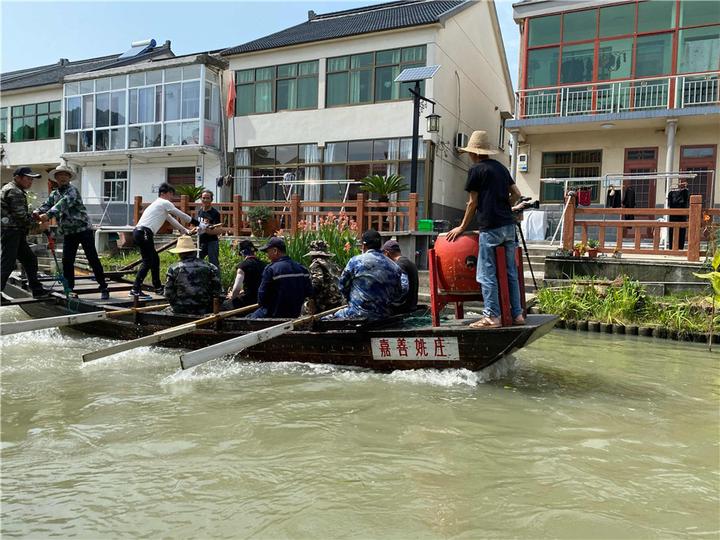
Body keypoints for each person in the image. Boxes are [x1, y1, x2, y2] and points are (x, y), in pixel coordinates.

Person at [446, 130, 525, 328]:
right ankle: (517, 315)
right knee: (510, 272)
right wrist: (504, 204)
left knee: (486, 274)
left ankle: (492, 317)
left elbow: (472, 203)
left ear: (473, 153)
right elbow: (516, 193)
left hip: (490, 227)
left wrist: (462, 227)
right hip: (509, 225)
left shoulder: (476, 170)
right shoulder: (500, 168)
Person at [35, 164, 110, 300]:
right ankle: (69, 288)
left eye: (65, 175)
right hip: (69, 232)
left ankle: (103, 286)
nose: (62, 177)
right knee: (67, 261)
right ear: (56, 178)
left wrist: (47, 215)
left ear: (69, 177)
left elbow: (62, 204)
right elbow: (47, 204)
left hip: (83, 229)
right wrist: (38, 211)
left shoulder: (72, 191)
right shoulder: (55, 193)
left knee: (92, 258)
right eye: (59, 175)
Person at [130, 182, 199, 300]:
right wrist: (198, 223)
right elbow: (181, 214)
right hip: (144, 233)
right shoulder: (164, 202)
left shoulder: (159, 205)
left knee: (154, 259)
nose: (172, 197)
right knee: (148, 261)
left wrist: (184, 230)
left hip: (141, 233)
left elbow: (171, 219)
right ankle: (135, 289)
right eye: (171, 194)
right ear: (163, 193)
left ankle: (157, 287)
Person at [325, 229, 405, 321]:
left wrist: (348, 299)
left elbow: (342, 285)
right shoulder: (394, 266)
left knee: (323, 320)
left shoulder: (356, 261)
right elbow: (398, 294)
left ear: (364, 245)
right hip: (384, 315)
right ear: (380, 245)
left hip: (357, 314)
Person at [0, 167, 47, 297]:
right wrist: (38, 226)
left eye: (32, 179)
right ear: (17, 177)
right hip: (11, 232)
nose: (30, 182)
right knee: (7, 263)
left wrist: (33, 219)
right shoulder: (14, 191)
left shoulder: (13, 189)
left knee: (30, 259)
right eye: (28, 178)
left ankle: (36, 289)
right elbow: (21, 216)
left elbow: (19, 214)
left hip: (15, 231)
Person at [248, 237, 312, 319]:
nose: (267, 256)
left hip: (273, 314)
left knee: (248, 319)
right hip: (294, 314)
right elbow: (309, 292)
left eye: (268, 252)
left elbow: (262, 298)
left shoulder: (271, 269)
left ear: (275, 251)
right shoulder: (302, 269)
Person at [164, 235, 223, 315]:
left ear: (180, 254)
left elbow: (168, 293)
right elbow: (217, 290)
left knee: (165, 311)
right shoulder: (210, 267)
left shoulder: (174, 268)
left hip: (181, 308)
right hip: (205, 308)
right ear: (194, 252)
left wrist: (176, 304)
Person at [303, 239, 343, 314]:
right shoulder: (334, 265)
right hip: (337, 302)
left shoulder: (316, 264)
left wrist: (309, 297)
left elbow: (317, 284)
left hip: (324, 304)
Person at [225, 240, 266, 309]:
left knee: (224, 305)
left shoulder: (242, 266)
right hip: (262, 299)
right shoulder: (264, 265)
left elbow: (237, 288)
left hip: (249, 301)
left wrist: (232, 296)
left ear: (242, 253)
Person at [382, 239, 419, 313]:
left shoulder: (399, 265)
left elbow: (404, 287)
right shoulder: (410, 263)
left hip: (402, 308)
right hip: (411, 306)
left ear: (387, 253)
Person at [197, 189, 222, 270]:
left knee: (213, 264)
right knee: (197, 262)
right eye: (203, 198)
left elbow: (218, 230)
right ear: (201, 199)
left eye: (207, 198)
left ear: (211, 199)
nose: (205, 200)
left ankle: (216, 282)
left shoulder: (215, 213)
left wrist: (206, 230)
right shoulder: (200, 211)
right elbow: (197, 224)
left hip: (212, 242)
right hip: (201, 241)